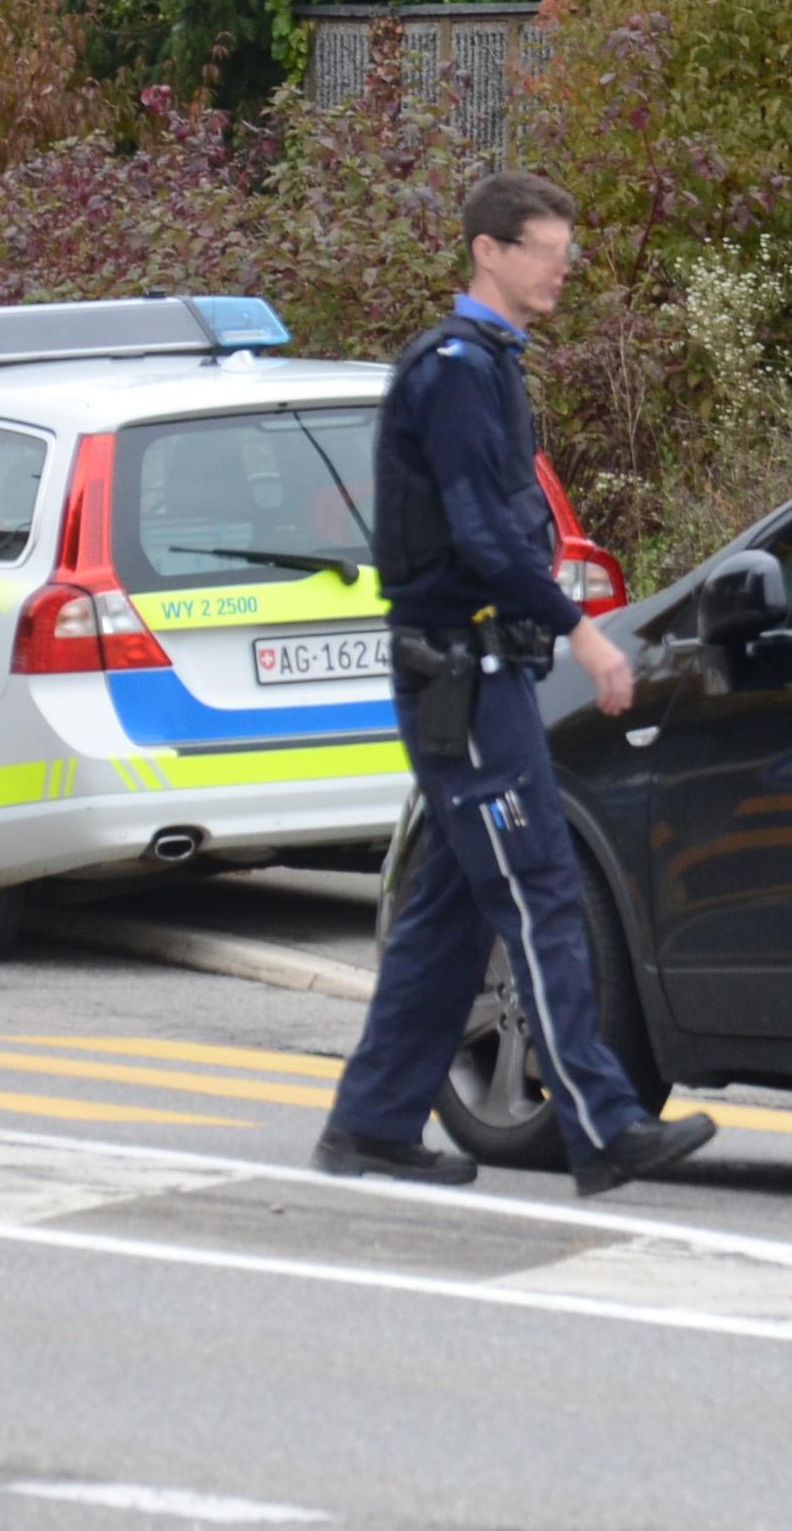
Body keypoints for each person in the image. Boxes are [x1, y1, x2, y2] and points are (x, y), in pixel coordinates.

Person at [314, 171, 715, 1198]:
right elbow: (484, 532)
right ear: (491, 250)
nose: (562, 266)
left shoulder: (486, 365)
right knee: (541, 892)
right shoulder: (455, 370)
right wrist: (583, 630)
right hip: (467, 674)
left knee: (450, 916)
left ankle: (370, 1125)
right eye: (546, 247)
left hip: (481, 671)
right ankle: (604, 1125)